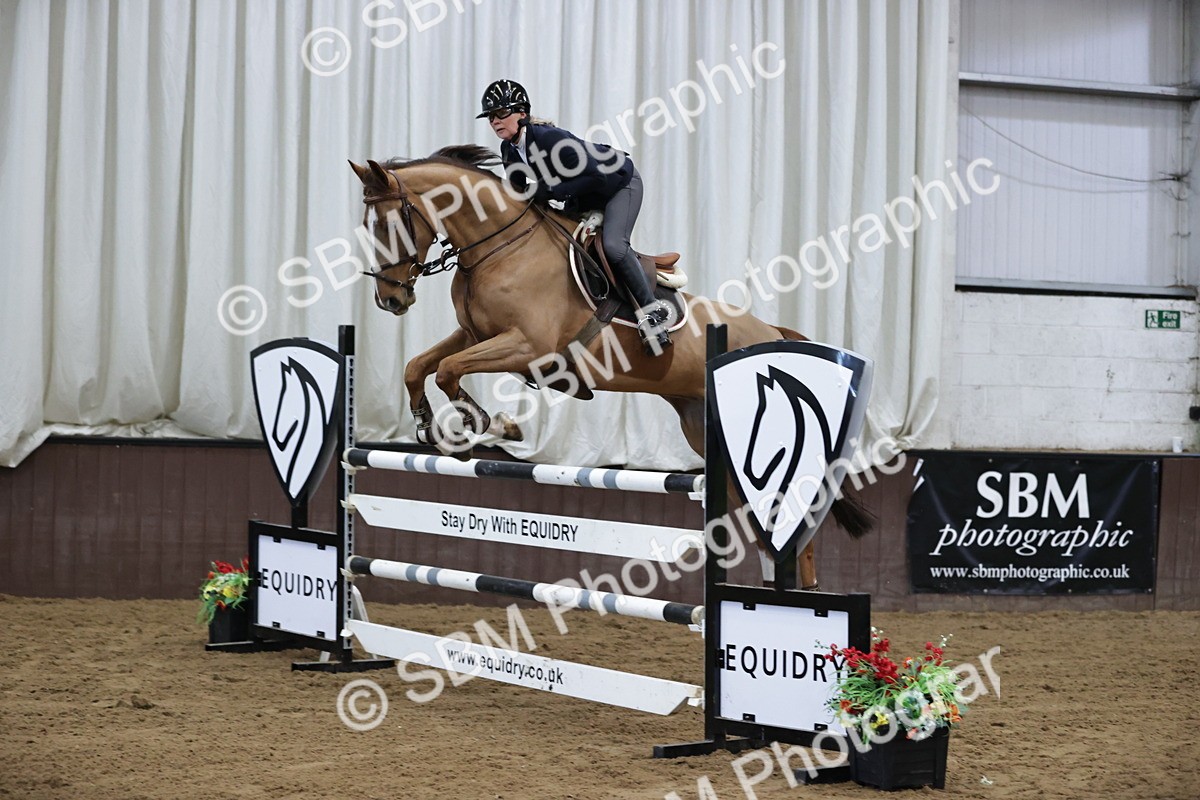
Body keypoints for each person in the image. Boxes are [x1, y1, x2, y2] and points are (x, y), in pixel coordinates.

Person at [477, 79, 671, 355]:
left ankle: (653, 313)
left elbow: (596, 176)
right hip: (583, 195)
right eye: (490, 117)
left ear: (522, 113)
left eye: (501, 113)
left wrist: (551, 191)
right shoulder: (509, 150)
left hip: (618, 183)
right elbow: (524, 195)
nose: (495, 121)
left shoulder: (547, 138)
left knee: (614, 246)